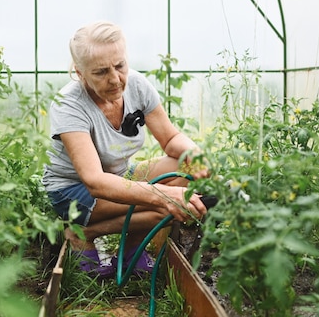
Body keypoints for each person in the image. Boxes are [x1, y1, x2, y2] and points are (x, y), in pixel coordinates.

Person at [42, 21, 209, 278]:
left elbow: (171, 138)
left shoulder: (137, 85)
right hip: (74, 191)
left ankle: (126, 251)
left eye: (120, 66)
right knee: (164, 204)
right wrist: (163, 194)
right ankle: (83, 232)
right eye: (100, 72)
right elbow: (95, 181)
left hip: (118, 179)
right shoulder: (69, 105)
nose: (115, 79)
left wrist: (195, 154)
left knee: (184, 167)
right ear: (79, 72)